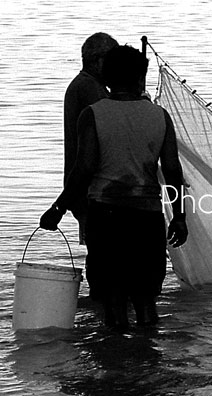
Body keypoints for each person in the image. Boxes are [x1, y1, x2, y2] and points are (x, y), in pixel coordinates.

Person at [40, 45, 188, 330]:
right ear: (140, 77)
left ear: (107, 77)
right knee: (146, 299)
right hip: (147, 218)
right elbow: (172, 171)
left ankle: (116, 365)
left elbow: (83, 169)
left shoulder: (94, 114)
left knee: (114, 299)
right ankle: (148, 361)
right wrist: (179, 217)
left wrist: (58, 209)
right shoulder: (159, 116)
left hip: (106, 217)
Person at [63, 32, 118, 243]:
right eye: (112, 61)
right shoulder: (88, 87)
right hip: (90, 189)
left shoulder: (88, 85)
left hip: (84, 187)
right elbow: (111, 122)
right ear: (98, 61)